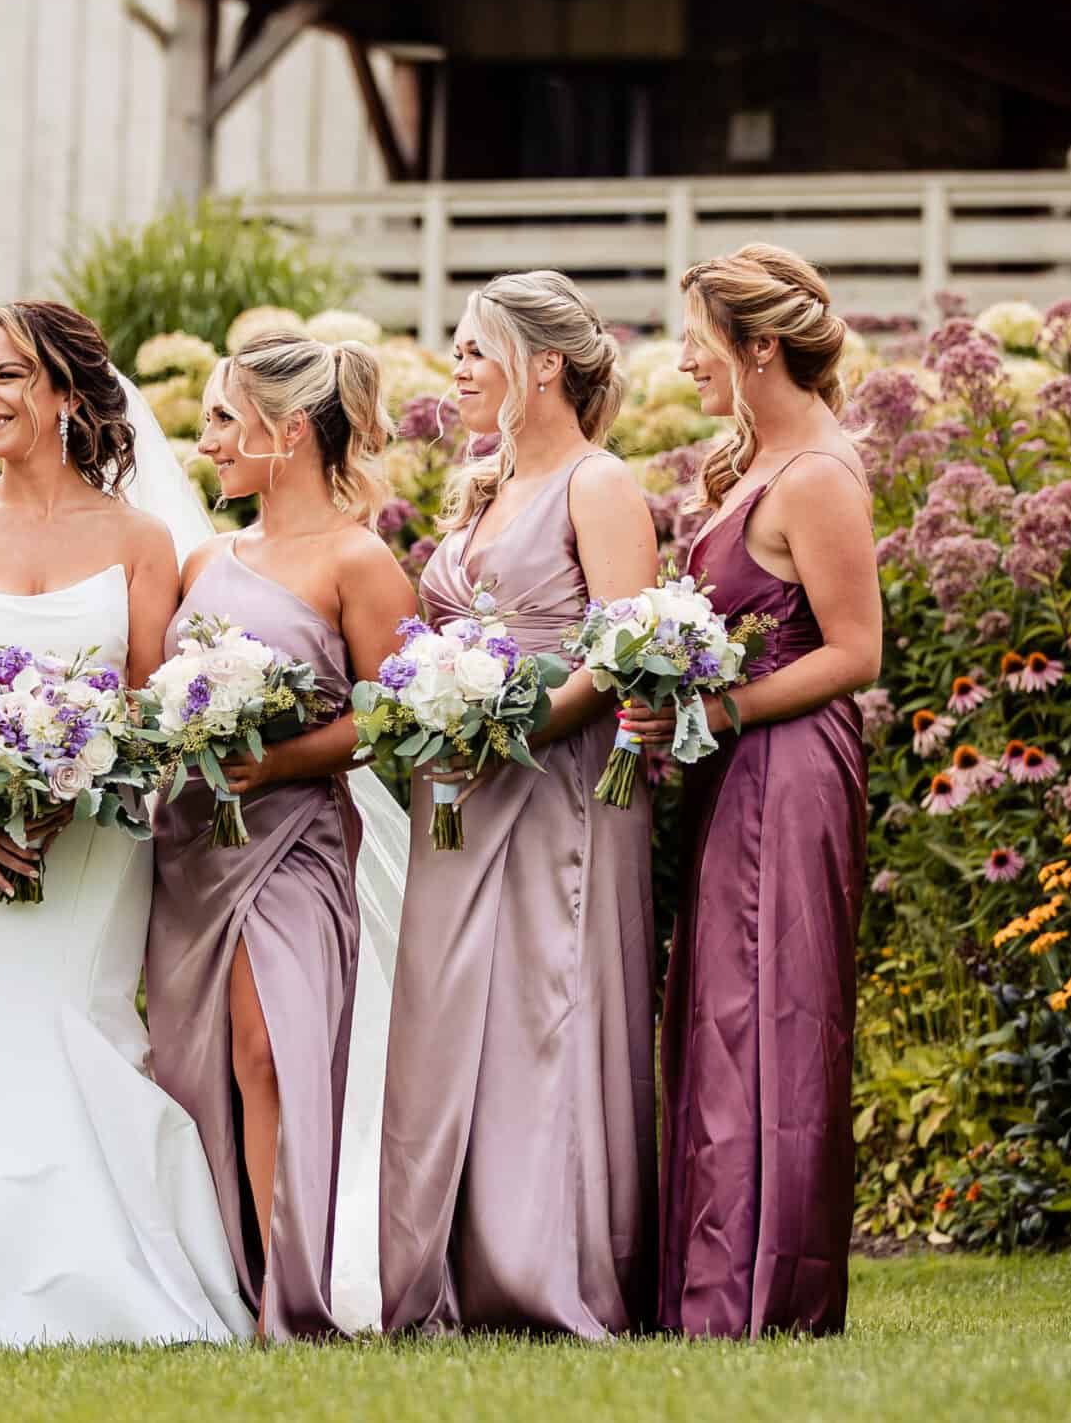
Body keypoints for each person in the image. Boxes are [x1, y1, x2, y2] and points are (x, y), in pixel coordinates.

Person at [0, 302, 251, 1346]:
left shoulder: (140, 539)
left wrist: (80, 786)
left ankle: (118, 1273)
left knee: (84, 1021)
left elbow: (156, 704)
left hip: (100, 840)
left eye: (9, 376)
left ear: (68, 395)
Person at [375, 272, 659, 1339]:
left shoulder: (598, 484)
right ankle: (452, 1263)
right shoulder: (482, 479)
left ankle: (547, 1269)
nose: (453, 368)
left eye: (470, 349)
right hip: (457, 783)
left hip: (558, 788)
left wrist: (509, 730)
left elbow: (624, 648)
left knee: (548, 1007)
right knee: (457, 1019)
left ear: (542, 366)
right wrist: (434, 716)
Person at [623, 243, 879, 1338]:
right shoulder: (753, 472)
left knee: (773, 1008)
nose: (682, 360)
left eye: (697, 339)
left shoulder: (818, 474)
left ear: (758, 348)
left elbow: (855, 652)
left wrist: (716, 711)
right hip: (736, 766)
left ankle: (763, 1289)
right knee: (723, 1006)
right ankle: (708, 1281)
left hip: (790, 769)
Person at [147, 331, 418, 1340]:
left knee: (269, 1048)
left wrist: (282, 759)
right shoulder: (208, 557)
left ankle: (288, 1294)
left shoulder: (358, 559)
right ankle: (223, 1275)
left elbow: (398, 713)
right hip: (193, 846)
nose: (207, 441)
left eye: (224, 419)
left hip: (295, 840)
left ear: (290, 429)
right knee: (197, 1060)